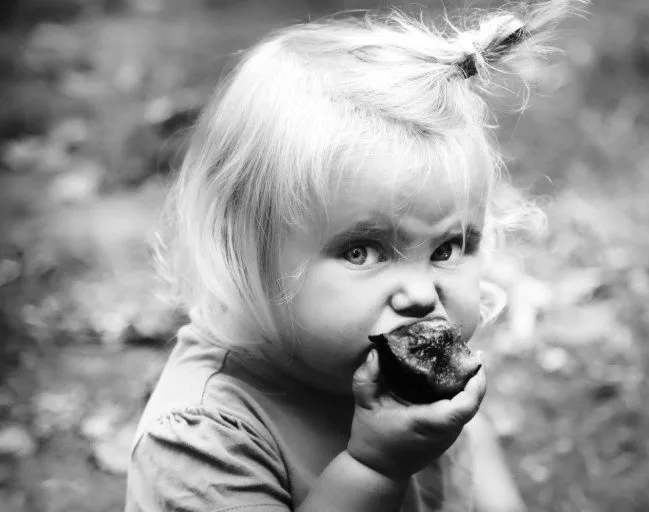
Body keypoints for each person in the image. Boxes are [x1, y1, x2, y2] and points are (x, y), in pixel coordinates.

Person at [125, 1, 583, 510]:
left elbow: (476, 463)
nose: (420, 294)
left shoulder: (406, 375)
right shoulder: (204, 440)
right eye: (362, 251)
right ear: (244, 251)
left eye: (447, 248)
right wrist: (373, 466)